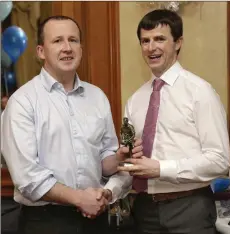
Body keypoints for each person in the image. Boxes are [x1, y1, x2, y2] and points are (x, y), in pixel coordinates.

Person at [1, 15, 143, 234]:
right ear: (40, 51)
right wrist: (79, 199)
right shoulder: (22, 101)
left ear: (81, 48)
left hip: (97, 219)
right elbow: (27, 177)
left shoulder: (97, 97)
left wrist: (118, 159)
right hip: (45, 222)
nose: (67, 48)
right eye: (57, 41)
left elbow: (104, 159)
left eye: (73, 40)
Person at [118, 9, 230, 234]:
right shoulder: (134, 100)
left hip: (190, 208)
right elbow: (131, 157)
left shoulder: (200, 92)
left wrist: (161, 169)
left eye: (160, 39)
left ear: (178, 43)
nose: (151, 47)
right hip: (143, 210)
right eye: (145, 41)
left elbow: (220, 160)